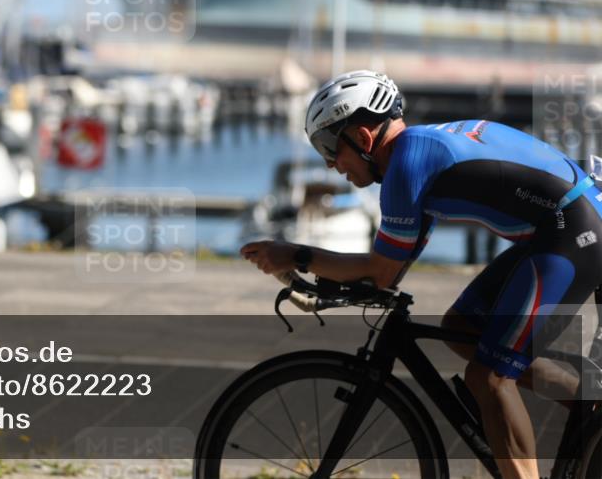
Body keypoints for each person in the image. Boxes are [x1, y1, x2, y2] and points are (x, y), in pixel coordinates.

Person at [240, 69, 602, 479]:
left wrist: (296, 255)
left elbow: (379, 273)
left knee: (491, 378)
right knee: (463, 326)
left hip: (575, 233)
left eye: (328, 146)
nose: (328, 163)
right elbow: (389, 273)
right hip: (565, 227)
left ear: (362, 137)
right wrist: (320, 279)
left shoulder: (408, 165)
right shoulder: (420, 152)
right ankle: (588, 406)